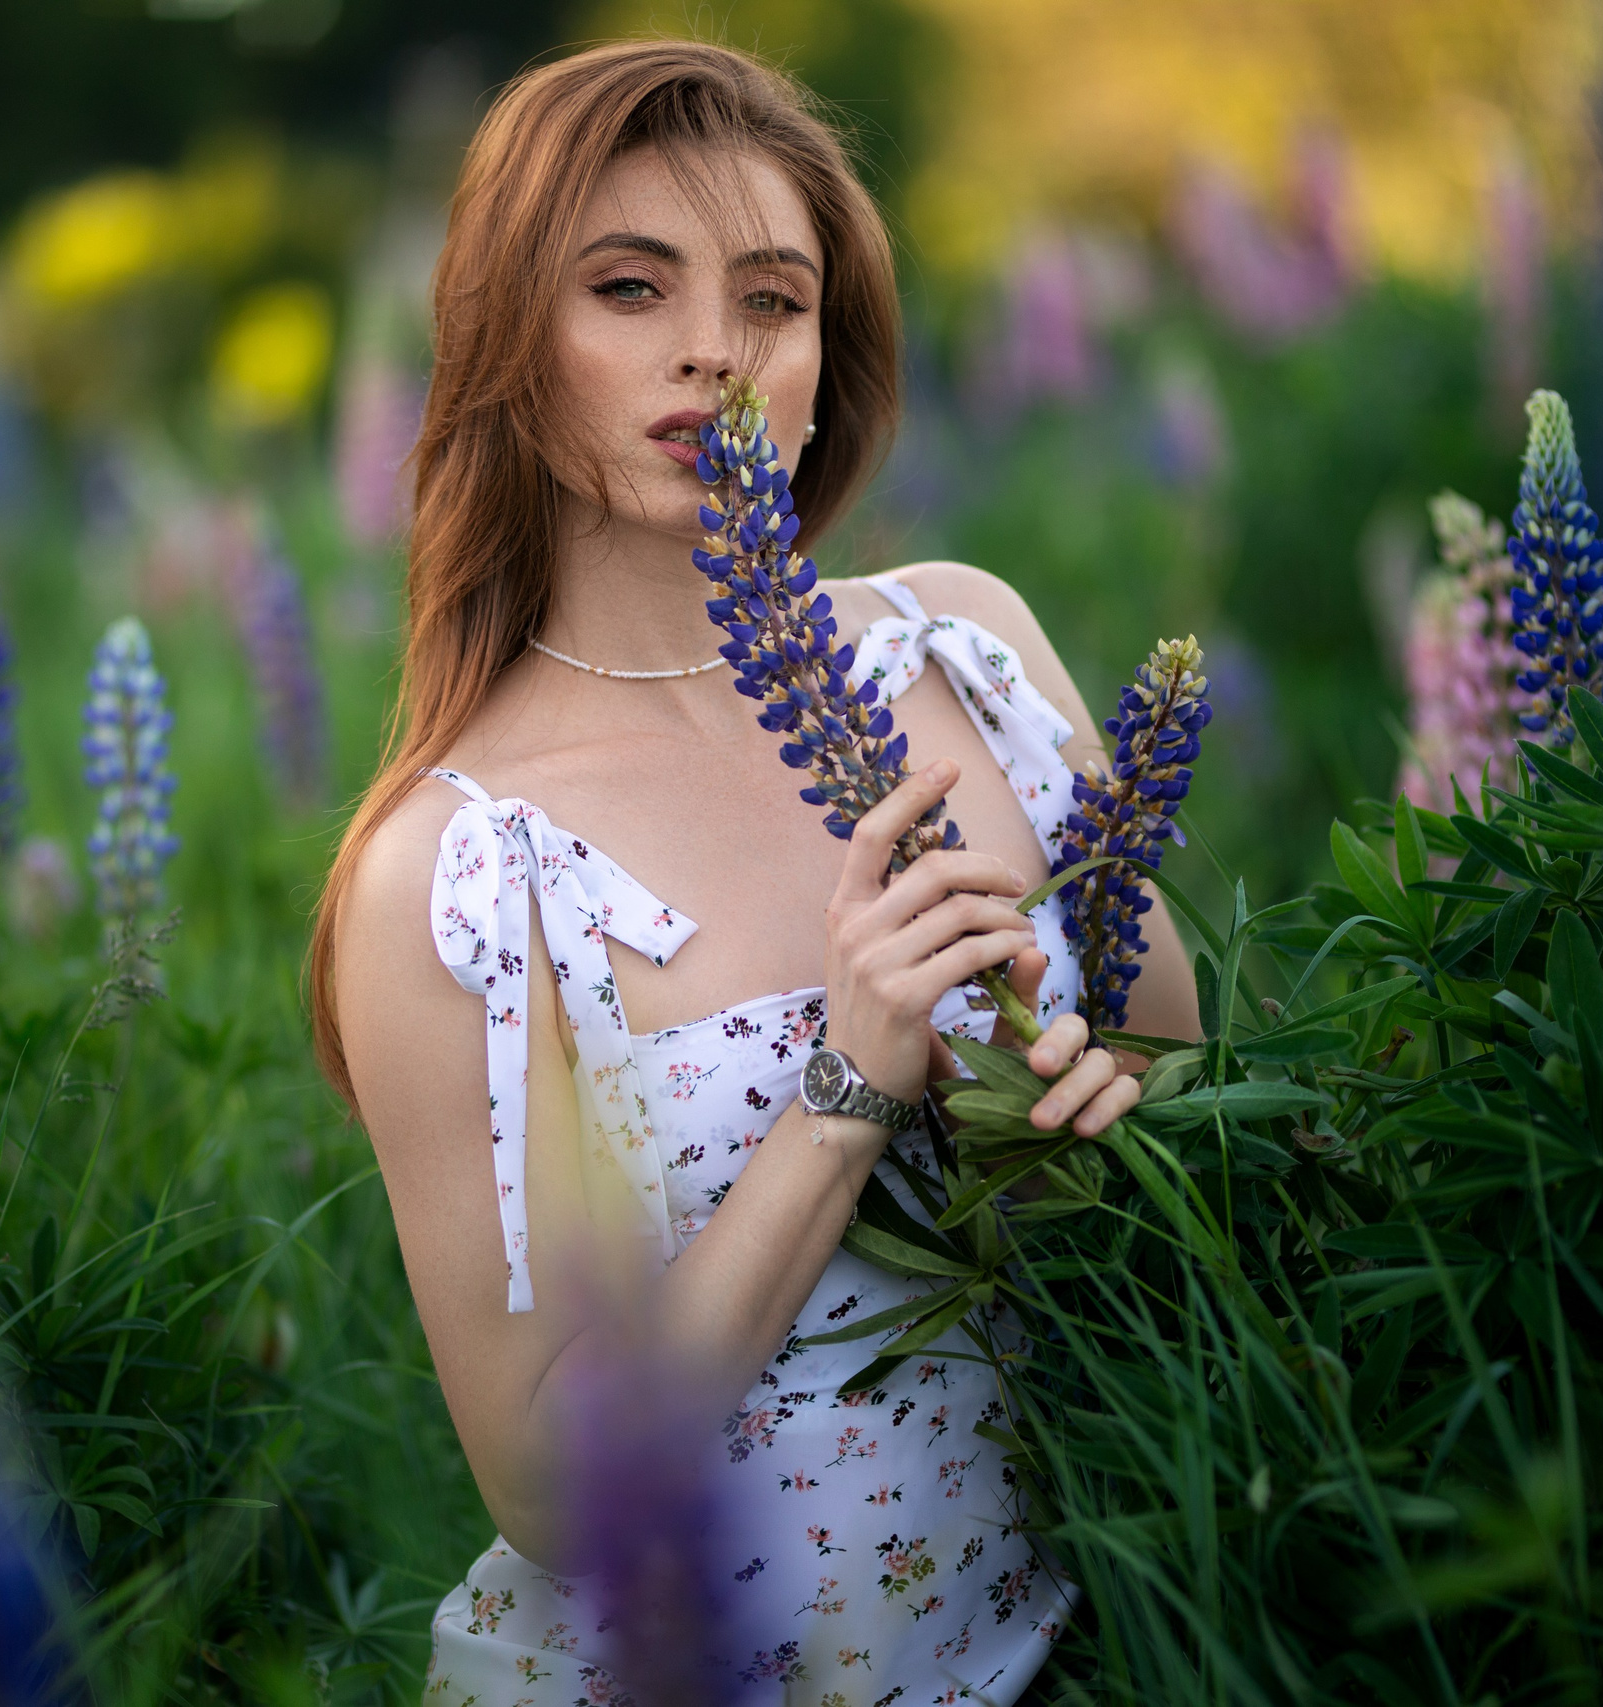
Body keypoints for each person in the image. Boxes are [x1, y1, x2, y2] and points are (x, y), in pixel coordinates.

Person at [311, 40, 1199, 1704]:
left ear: (822, 358)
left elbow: (1184, 1077)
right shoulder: (458, 872)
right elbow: (556, 1492)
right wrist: (849, 1087)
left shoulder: (970, 651)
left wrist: (1081, 1118)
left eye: (773, 301)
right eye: (629, 288)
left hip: (1108, 1632)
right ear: (509, 338)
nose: (712, 350)